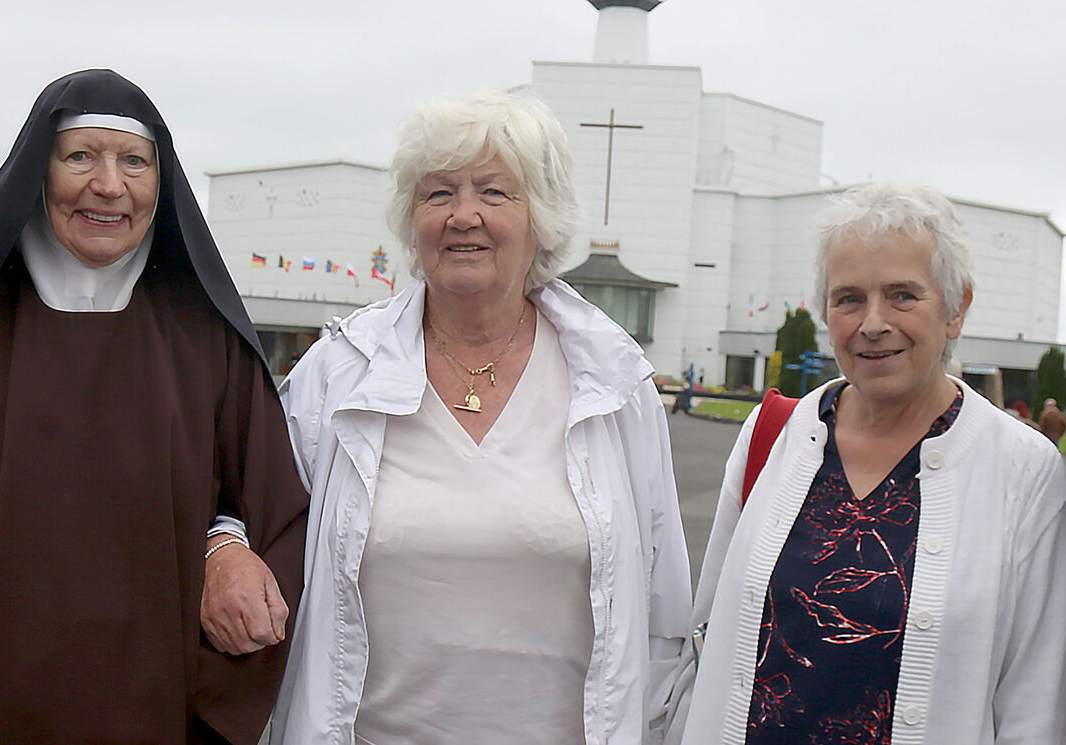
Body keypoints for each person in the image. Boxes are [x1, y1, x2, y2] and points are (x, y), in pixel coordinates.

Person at [208, 88, 691, 744]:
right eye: (439, 194)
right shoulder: (340, 370)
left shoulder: (612, 382)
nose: (464, 215)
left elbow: (663, 607)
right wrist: (223, 547)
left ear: (541, 216)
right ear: (413, 219)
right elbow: (242, 501)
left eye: (494, 192)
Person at [0, 69, 309, 744]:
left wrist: (226, 554)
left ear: (162, 184)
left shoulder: (206, 338)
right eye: (80, 156)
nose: (109, 184)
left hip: (159, 709)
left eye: (134, 161)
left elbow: (276, 514)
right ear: (36, 174)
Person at [667, 183, 1066, 744]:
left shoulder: (1025, 470)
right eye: (849, 298)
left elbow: (1035, 700)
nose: (873, 322)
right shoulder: (774, 435)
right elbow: (705, 639)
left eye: (903, 295)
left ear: (956, 309)